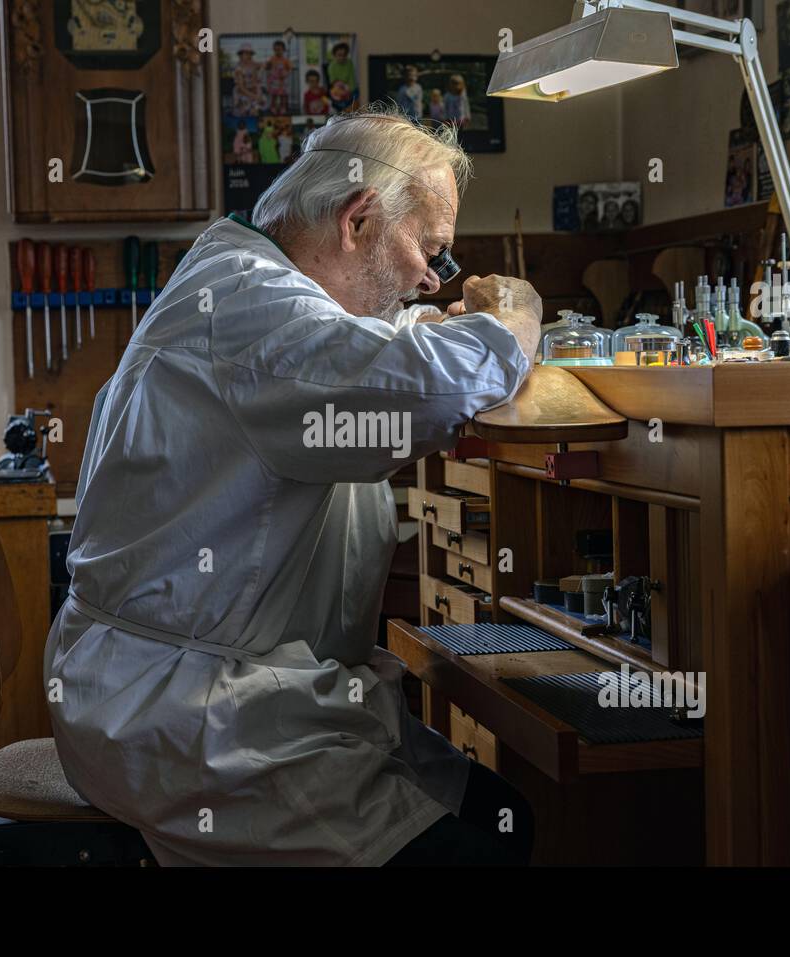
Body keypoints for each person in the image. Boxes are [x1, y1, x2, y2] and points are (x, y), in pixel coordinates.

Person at [46, 105, 541, 867]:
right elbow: (431, 387)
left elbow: (366, 350)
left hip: (236, 688)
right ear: (358, 220)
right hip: (188, 711)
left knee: (506, 816)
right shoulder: (253, 310)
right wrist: (514, 317)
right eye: (429, 249)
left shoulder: (256, 284)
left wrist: (440, 328)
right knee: (482, 854)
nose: (430, 278)